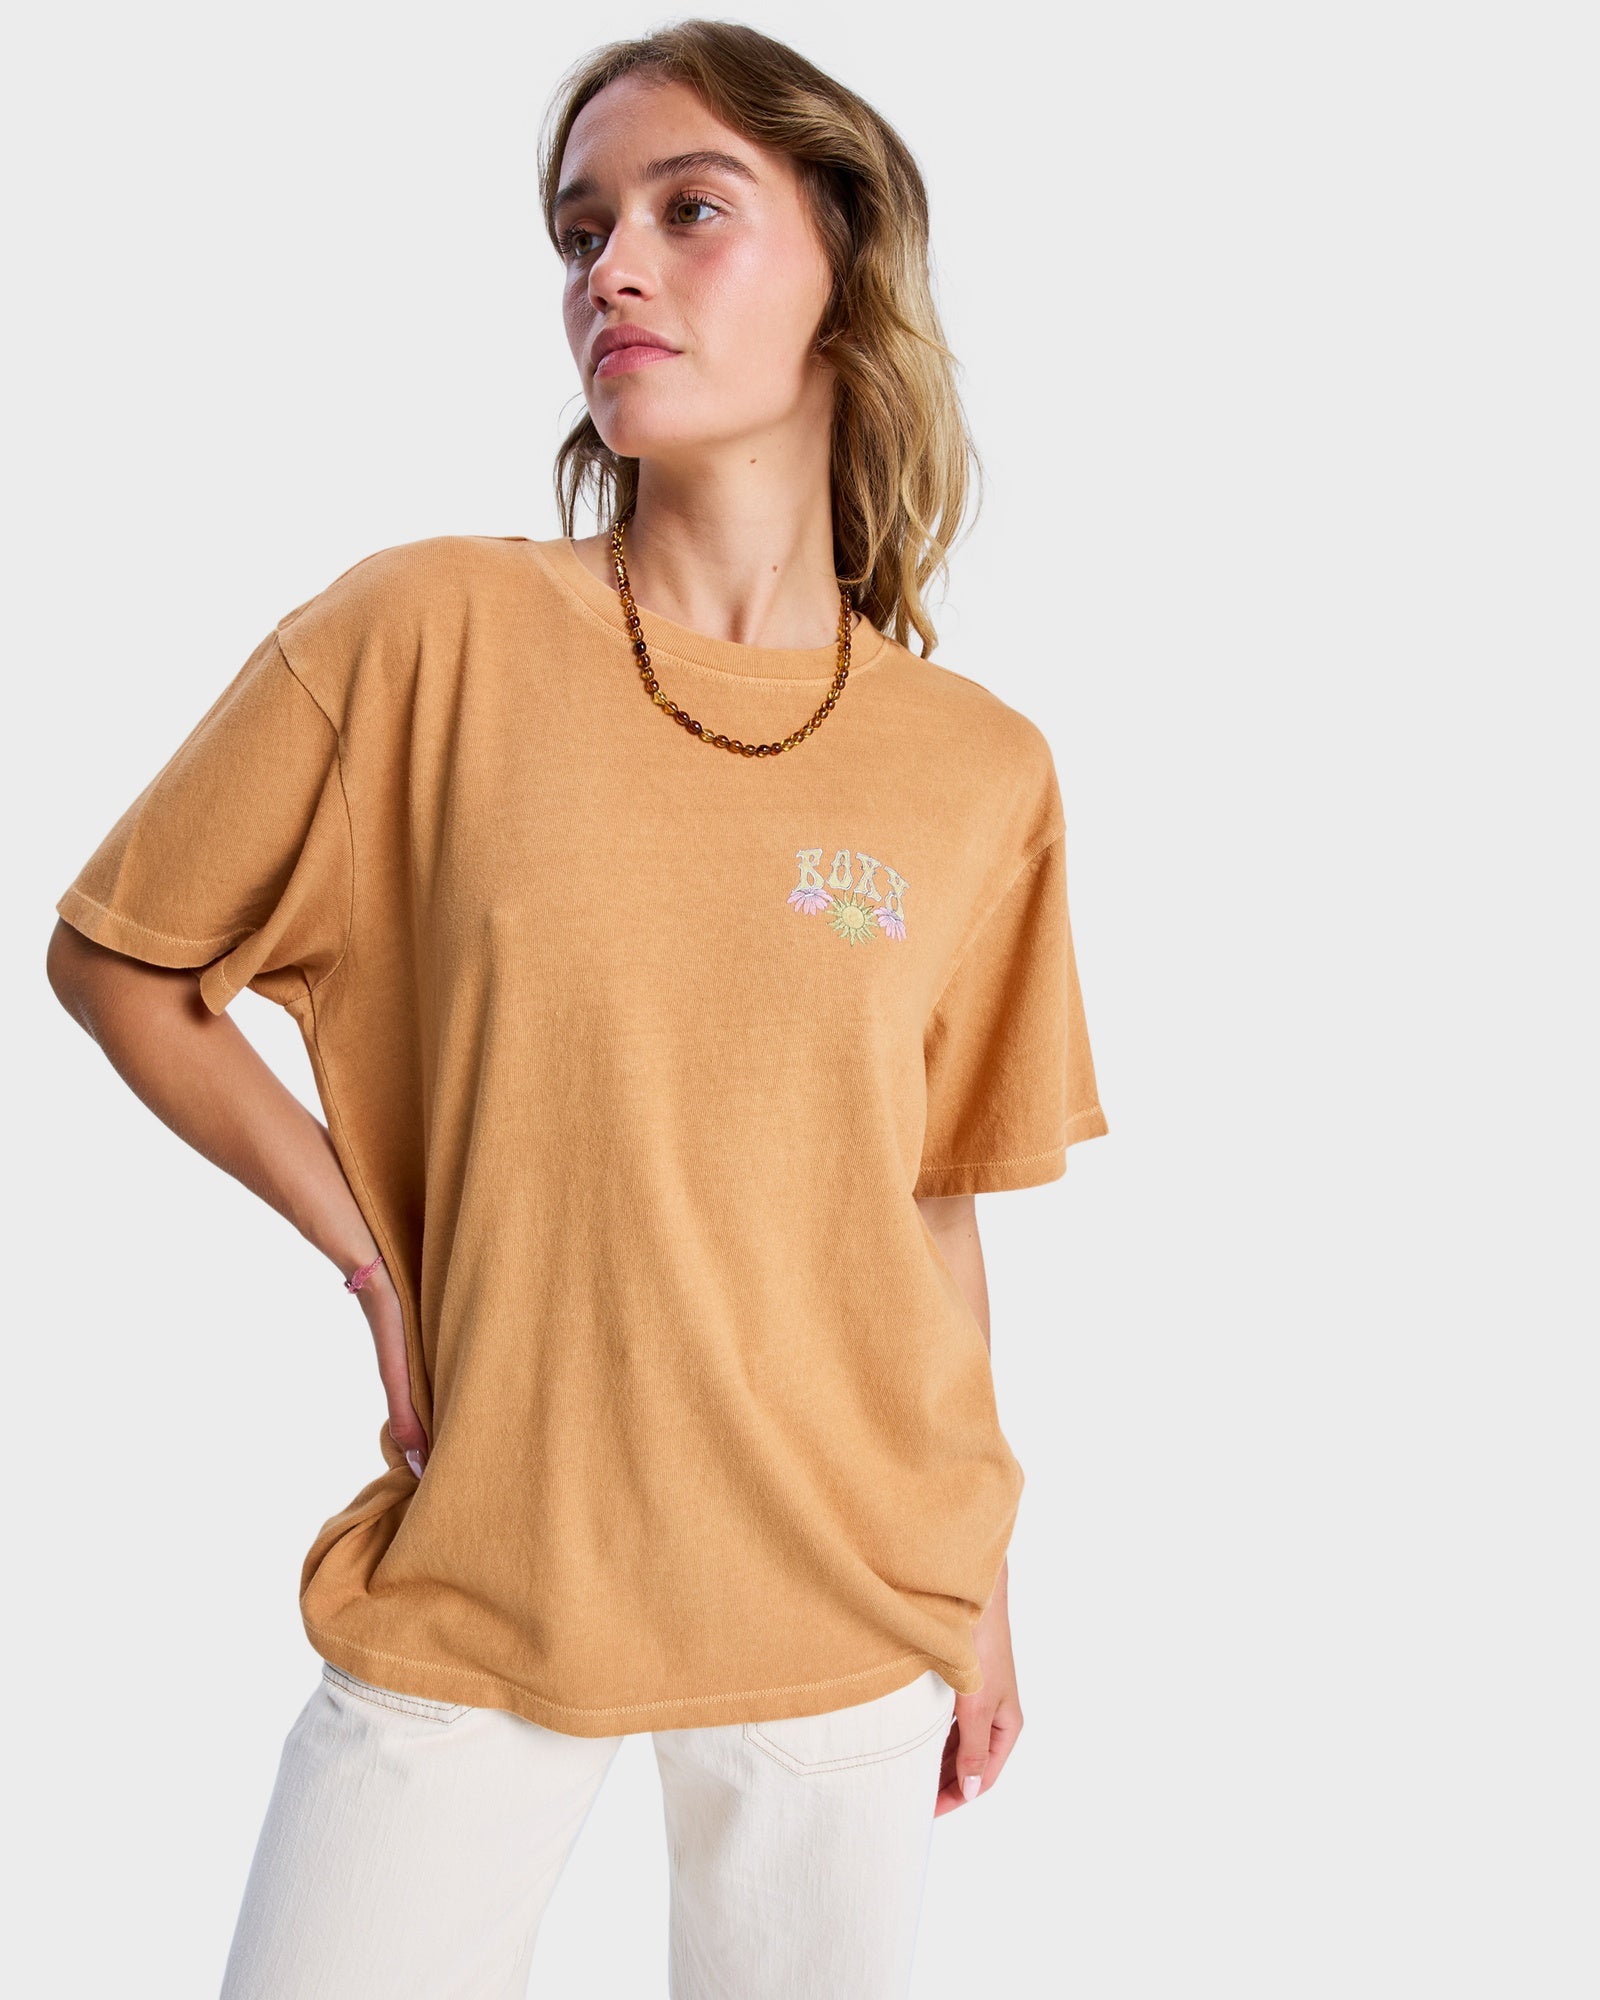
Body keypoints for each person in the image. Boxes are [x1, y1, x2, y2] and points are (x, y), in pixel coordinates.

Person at [45, 20, 1107, 1998]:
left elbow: (931, 1199)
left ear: (843, 264)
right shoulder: (424, 636)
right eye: (580, 229)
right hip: (493, 1559)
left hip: (847, 1586)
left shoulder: (977, 768)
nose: (610, 268)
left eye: (688, 211)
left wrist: (982, 1586)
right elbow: (124, 959)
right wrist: (371, 1256)